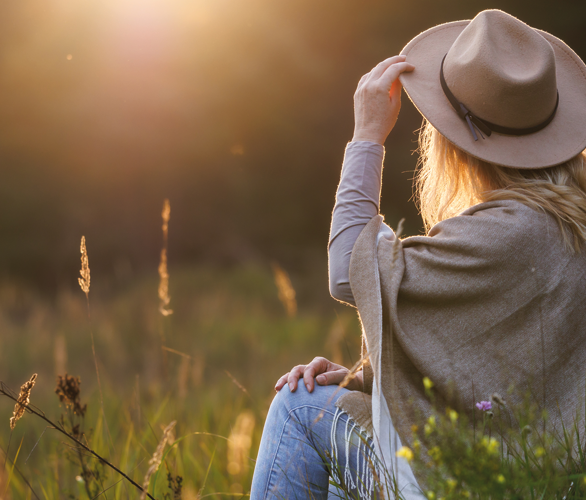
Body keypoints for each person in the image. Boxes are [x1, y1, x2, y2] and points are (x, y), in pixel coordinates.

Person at [250, 9, 586, 499]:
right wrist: (369, 380)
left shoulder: (514, 230)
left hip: (480, 482)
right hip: (539, 477)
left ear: (456, 143)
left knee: (298, 410)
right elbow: (494, 362)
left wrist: (367, 136)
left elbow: (348, 269)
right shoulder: (565, 223)